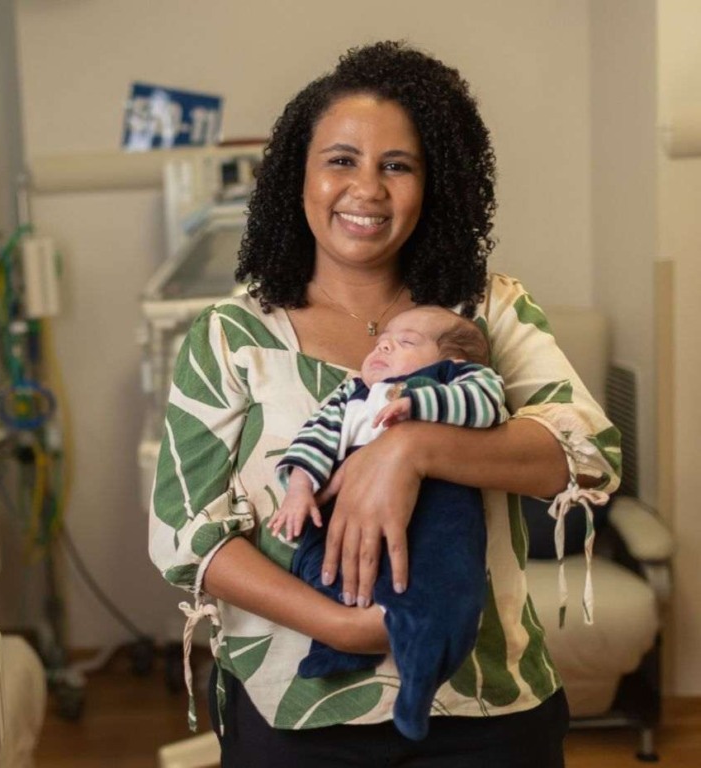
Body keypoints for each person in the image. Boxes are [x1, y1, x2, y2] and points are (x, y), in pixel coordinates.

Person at [148, 40, 620, 767]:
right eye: (341, 160)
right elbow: (185, 535)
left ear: (435, 185)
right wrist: (342, 627)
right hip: (296, 714)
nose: (367, 188)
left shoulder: (486, 313)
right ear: (296, 178)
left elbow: (587, 455)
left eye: (396, 166)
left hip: (486, 706)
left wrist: (413, 448)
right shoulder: (232, 339)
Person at [270, 306, 507, 741]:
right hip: (345, 512)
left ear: (452, 360)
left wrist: (416, 406)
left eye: (407, 341)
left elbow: (489, 405)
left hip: (436, 503)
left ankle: (419, 682)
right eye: (384, 338)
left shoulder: (451, 381)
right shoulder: (352, 394)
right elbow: (315, 436)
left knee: (443, 586)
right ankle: (339, 648)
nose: (384, 344)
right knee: (310, 560)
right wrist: (299, 487)